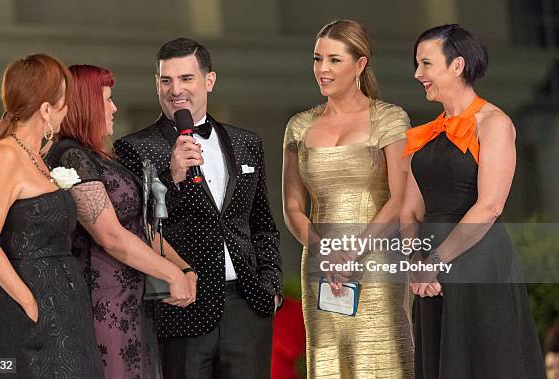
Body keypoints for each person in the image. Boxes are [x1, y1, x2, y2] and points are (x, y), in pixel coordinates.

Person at [114, 37, 282, 379]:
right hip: (182, 308)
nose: (175, 89)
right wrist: (171, 177)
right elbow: (138, 227)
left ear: (209, 80)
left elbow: (262, 222)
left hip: (247, 308)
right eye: (166, 80)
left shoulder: (246, 142)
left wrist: (271, 289)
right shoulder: (134, 148)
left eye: (186, 78)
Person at [401, 24, 545, 378]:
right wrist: (414, 259)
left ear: (458, 65)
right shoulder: (429, 131)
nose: (418, 74)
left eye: (426, 64)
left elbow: (490, 206)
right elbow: (410, 210)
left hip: (478, 260)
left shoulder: (494, 123)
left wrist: (434, 260)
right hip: (429, 269)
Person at [45, 64, 195, 379]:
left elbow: (140, 226)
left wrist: (184, 267)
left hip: (131, 303)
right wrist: (172, 274)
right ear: (86, 105)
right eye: (107, 100)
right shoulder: (71, 156)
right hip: (103, 306)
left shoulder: (98, 156)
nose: (113, 108)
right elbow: (110, 236)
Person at [282, 20, 414, 378]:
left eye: (334, 60)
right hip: (321, 265)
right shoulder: (298, 126)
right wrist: (324, 251)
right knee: (328, 362)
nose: (323, 69)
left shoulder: (390, 118)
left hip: (375, 261)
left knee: (380, 361)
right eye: (317, 59)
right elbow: (293, 207)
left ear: (360, 64)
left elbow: (400, 198)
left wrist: (353, 253)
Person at [0, 54, 103, 377]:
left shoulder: (36, 157)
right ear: (45, 109)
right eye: (63, 103)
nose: (67, 111)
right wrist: (30, 303)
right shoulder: (5, 156)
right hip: (35, 310)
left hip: (67, 306)